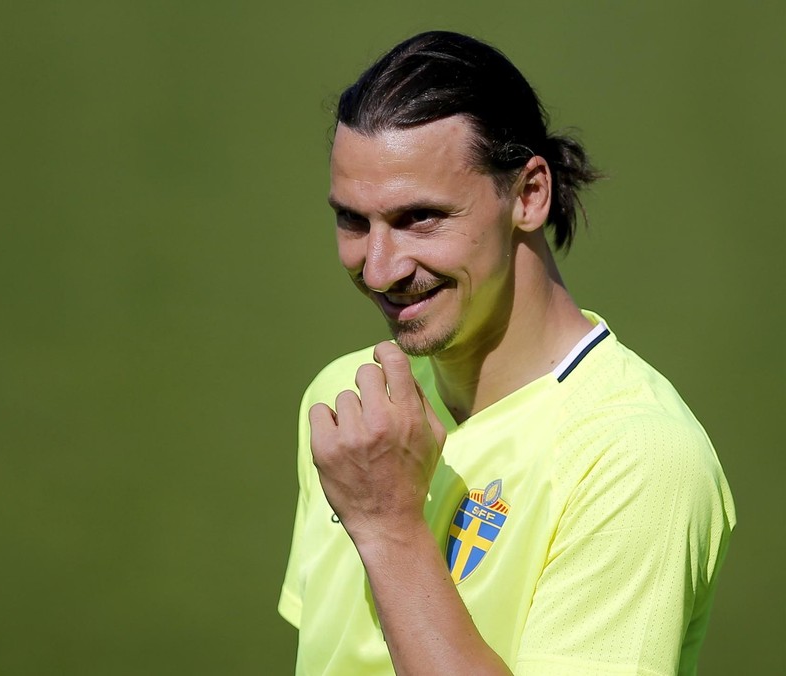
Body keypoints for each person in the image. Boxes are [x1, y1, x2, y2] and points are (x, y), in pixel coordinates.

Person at [278, 31, 735, 675]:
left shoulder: (635, 458)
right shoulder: (349, 406)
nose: (378, 269)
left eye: (420, 218)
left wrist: (389, 527)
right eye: (353, 221)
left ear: (528, 196)